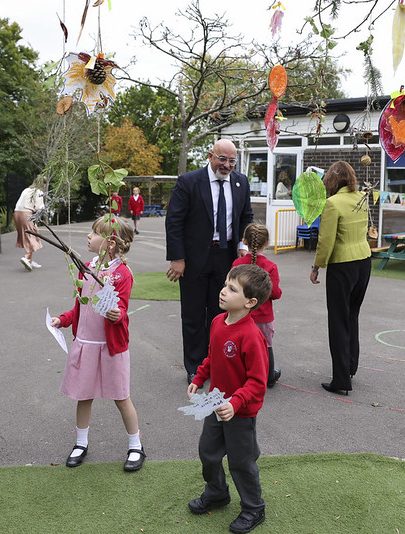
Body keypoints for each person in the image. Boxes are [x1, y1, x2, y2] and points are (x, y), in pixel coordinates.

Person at [50, 216, 145, 472]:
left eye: (94, 233)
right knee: (84, 395)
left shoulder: (121, 273)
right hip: (86, 344)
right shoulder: (86, 267)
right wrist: (63, 319)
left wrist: (117, 314)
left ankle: (136, 445)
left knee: (121, 396)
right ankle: (81, 443)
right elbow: (80, 307)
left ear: (110, 244)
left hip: (110, 347)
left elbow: (121, 309)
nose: (88, 237)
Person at [187, 264, 271, 534]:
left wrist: (235, 404)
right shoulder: (217, 322)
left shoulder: (251, 335)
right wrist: (199, 378)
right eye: (225, 285)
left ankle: (254, 508)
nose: (223, 291)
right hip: (215, 405)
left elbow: (258, 382)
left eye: (232, 289)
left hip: (240, 414)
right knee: (208, 453)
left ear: (250, 302)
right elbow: (212, 357)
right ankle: (217, 492)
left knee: (241, 463)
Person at [166, 139, 254, 384]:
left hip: (226, 258)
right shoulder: (189, 182)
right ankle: (195, 366)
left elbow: (247, 216)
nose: (227, 165)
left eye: (232, 161)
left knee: (222, 313)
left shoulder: (241, 182)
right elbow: (174, 222)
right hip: (194, 259)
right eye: (222, 159)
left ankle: (217, 362)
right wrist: (178, 258)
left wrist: (243, 246)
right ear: (210, 156)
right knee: (193, 313)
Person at [309, 160, 372, 396]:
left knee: (337, 320)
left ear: (332, 180)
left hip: (343, 264)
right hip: (364, 261)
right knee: (352, 316)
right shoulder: (362, 198)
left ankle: (341, 379)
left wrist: (316, 266)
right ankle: (351, 367)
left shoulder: (332, 204)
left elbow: (326, 241)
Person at [232, 223, 282, 388]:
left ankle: (241, 376)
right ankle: (269, 377)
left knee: (241, 347)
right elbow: (275, 293)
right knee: (266, 346)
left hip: (241, 315)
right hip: (263, 317)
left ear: (244, 241)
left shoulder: (238, 264)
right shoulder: (270, 267)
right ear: (266, 243)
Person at [14, 175, 46, 271]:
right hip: (26, 214)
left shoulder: (26, 190)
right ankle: (26, 257)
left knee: (26, 236)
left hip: (17, 213)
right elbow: (39, 208)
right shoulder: (39, 192)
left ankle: (30, 261)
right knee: (32, 235)